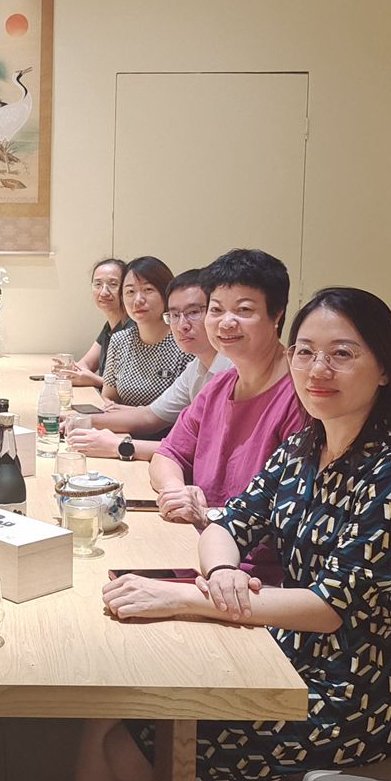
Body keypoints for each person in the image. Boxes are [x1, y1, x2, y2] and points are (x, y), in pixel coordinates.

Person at [61, 287, 391, 781]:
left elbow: (328, 608)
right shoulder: (304, 448)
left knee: (136, 744)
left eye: (342, 353)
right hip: (286, 652)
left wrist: (187, 598)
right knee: (115, 711)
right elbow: (228, 525)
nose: (318, 369)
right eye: (306, 352)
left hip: (350, 693)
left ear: (384, 369)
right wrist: (222, 572)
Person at [148, 248, 305, 582]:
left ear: (277, 315)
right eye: (216, 309)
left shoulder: (300, 396)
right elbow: (167, 453)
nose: (226, 322)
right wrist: (176, 491)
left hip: (256, 577)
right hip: (199, 547)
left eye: (244, 310)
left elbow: (285, 514)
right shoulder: (219, 386)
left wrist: (207, 515)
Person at [66, 269, 232, 460]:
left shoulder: (234, 371)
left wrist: (121, 446)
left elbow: (207, 451)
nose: (182, 325)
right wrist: (81, 420)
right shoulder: (196, 367)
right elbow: (150, 416)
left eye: (193, 312)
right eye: (175, 315)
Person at [100, 256, 192, 410]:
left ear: (166, 294)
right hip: (122, 424)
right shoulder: (119, 340)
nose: (138, 300)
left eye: (148, 290)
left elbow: (187, 410)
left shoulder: (184, 341)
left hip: (170, 426)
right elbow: (108, 397)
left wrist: (130, 413)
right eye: (130, 291)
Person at [54, 258, 128, 390]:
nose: (104, 292)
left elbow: (130, 387)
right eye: (98, 284)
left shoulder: (135, 328)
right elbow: (86, 364)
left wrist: (95, 380)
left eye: (113, 284)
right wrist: (70, 370)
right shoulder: (109, 326)